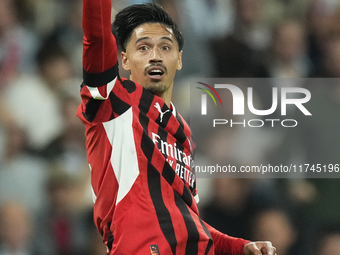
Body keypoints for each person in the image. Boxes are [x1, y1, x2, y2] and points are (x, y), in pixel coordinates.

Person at [77, 0, 277, 254]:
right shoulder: (112, 102)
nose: (155, 56)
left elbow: (190, 225)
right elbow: (96, 36)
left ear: (179, 60)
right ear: (124, 60)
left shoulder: (183, 132)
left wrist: (240, 246)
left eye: (165, 47)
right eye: (143, 48)